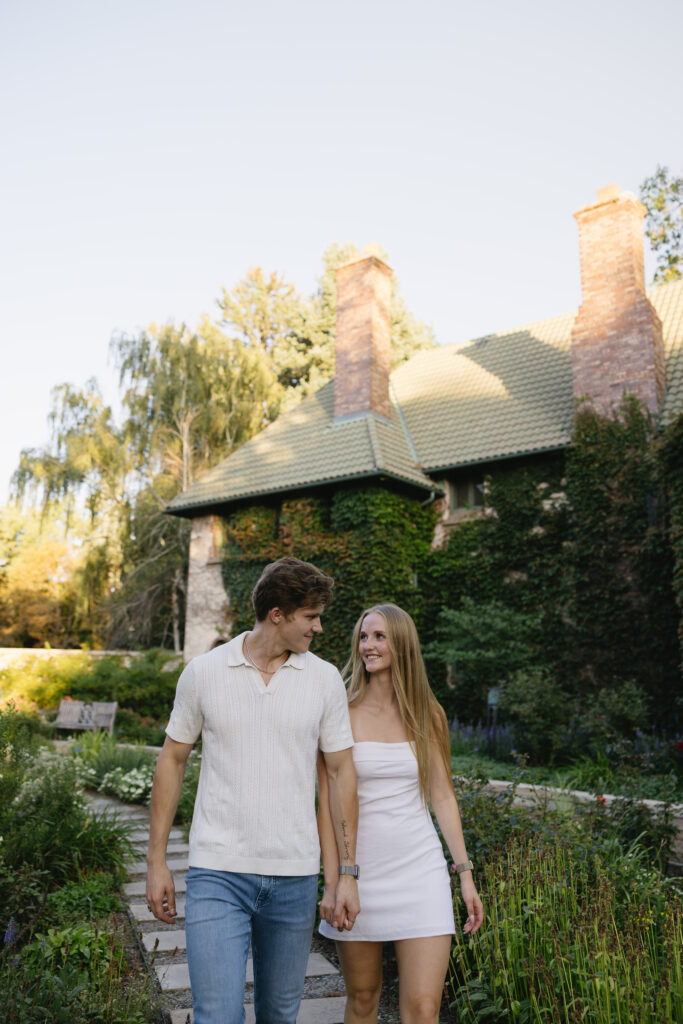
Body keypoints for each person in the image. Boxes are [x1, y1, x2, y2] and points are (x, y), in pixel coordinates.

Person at [146, 557, 360, 1024]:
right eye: (311, 616)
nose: (319, 627)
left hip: (295, 877)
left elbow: (342, 774)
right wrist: (156, 860)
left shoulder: (324, 679)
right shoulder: (204, 672)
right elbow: (172, 760)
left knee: (279, 1016)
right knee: (217, 1016)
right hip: (218, 872)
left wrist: (346, 873)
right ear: (277, 614)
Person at [317, 603, 484, 1024]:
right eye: (363, 636)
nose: (368, 645)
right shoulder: (340, 712)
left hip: (420, 870)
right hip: (360, 874)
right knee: (362, 998)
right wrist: (335, 881)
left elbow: (442, 796)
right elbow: (327, 802)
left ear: (402, 643)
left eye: (379, 636)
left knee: (424, 1010)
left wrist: (464, 874)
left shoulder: (428, 714)